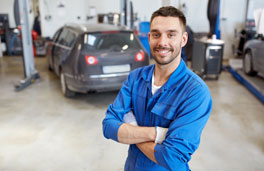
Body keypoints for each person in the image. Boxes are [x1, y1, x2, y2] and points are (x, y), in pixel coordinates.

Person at [102, 6, 212, 171]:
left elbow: (172, 157)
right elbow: (108, 126)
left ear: (183, 39)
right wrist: (159, 134)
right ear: (149, 37)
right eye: (156, 34)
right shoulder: (135, 78)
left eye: (171, 34)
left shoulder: (195, 92)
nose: (162, 42)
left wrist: (131, 129)